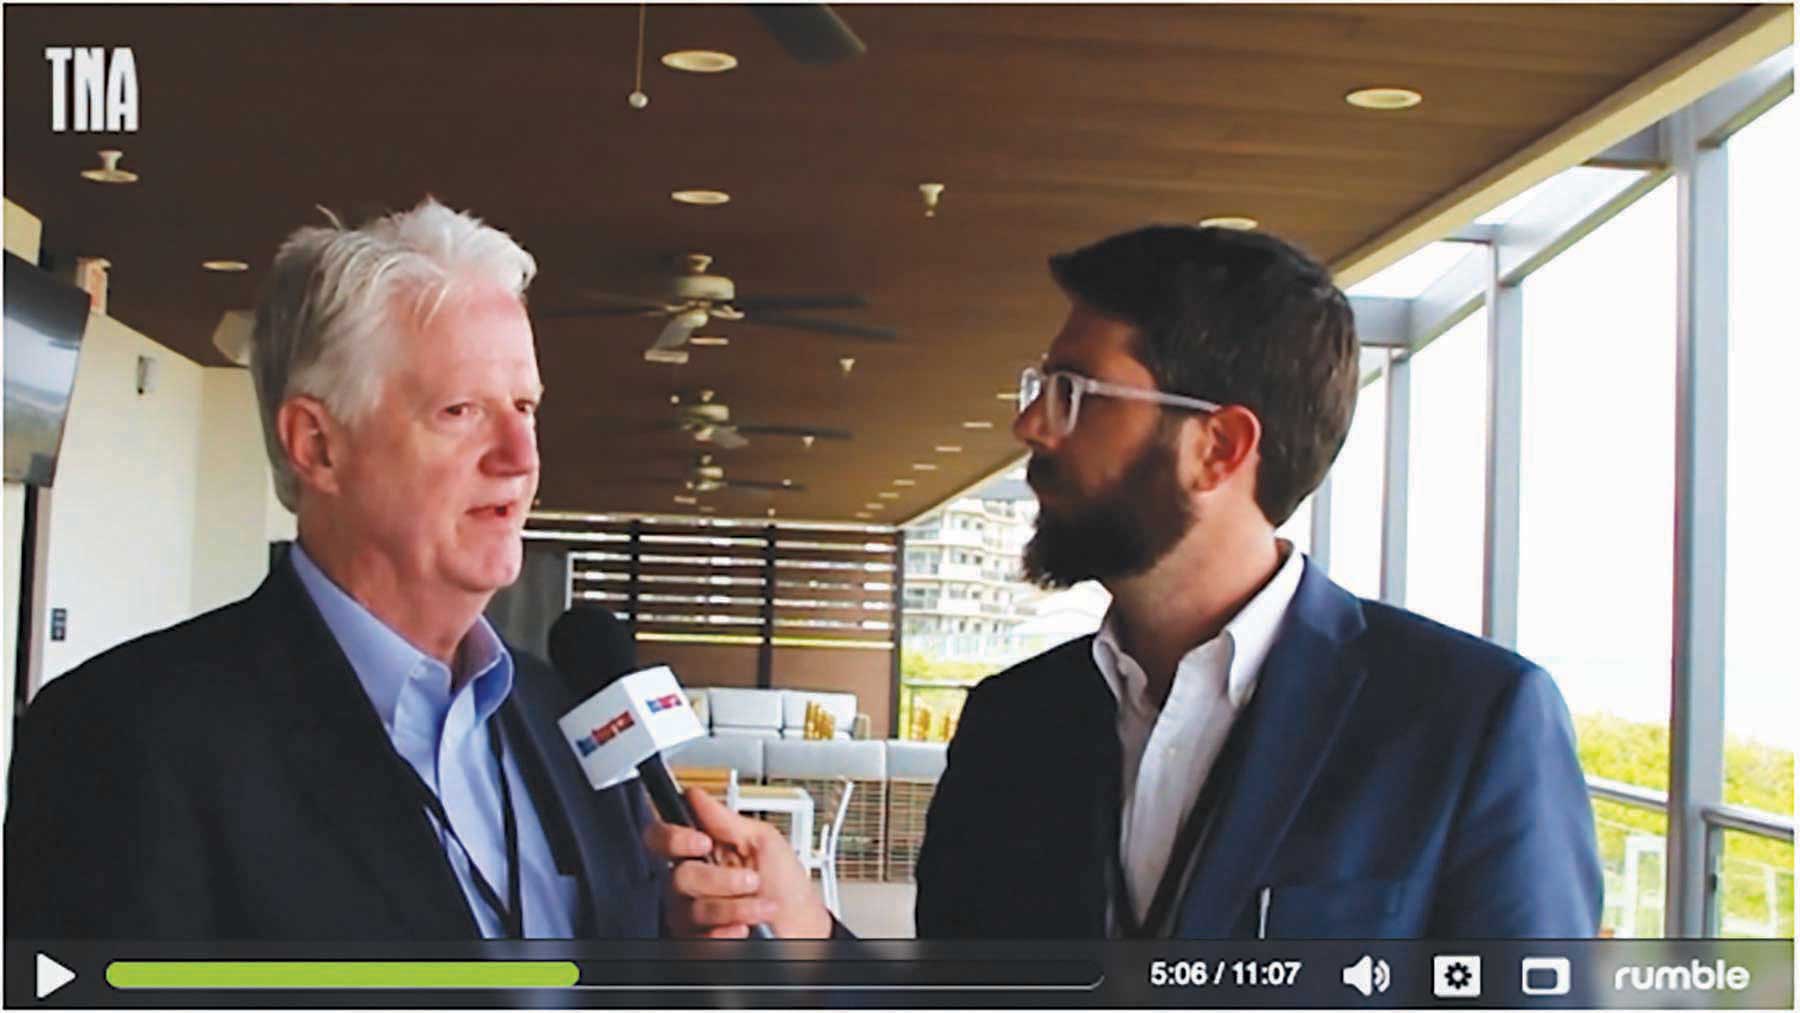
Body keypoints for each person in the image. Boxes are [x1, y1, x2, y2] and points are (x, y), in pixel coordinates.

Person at [651, 224, 1602, 939]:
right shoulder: (1013, 725)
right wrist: (808, 933)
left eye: (1075, 393)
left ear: (1218, 446)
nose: (1031, 427)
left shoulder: (1467, 723)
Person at [5, 199, 663, 940]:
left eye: (524, 406)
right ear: (317, 445)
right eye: (460, 411)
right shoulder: (124, 739)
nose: (520, 456)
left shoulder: (564, 716)